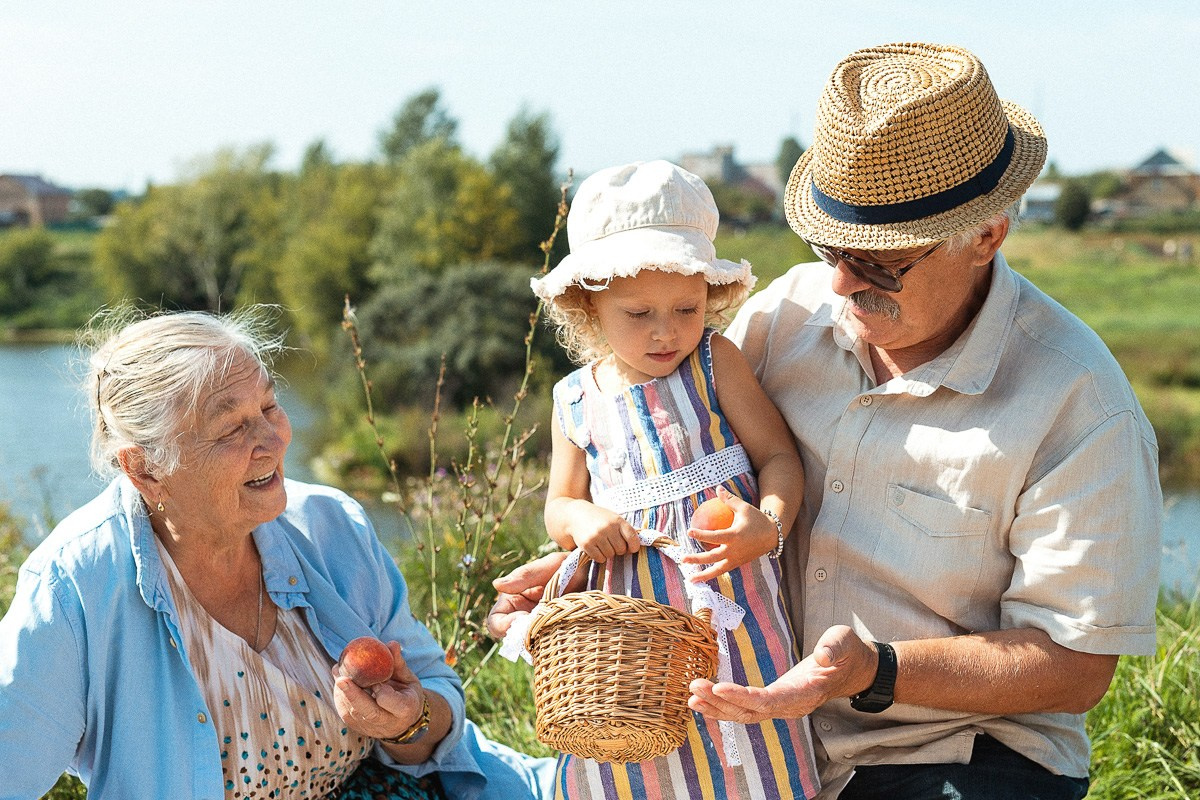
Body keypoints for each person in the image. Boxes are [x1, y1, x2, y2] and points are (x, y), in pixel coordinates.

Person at [493, 43, 1163, 799]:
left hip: (947, 754)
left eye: (881, 262)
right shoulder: (790, 312)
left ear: (987, 236)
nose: (840, 282)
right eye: (832, 247)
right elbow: (675, 462)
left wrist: (873, 670)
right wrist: (602, 558)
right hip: (753, 738)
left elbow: (1075, 668)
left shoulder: (1079, 401)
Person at [0, 308, 554, 800]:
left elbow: (438, 710)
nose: (274, 438)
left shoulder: (332, 525)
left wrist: (406, 724)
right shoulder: (73, 584)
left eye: (269, 405)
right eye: (232, 428)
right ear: (144, 469)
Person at [525, 160, 820, 799]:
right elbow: (558, 506)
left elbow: (779, 457)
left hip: (729, 598)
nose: (666, 331)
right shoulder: (575, 398)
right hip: (632, 622)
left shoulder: (715, 362)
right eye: (638, 314)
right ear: (588, 305)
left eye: (686, 308)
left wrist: (766, 524)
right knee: (643, 755)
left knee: (745, 740)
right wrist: (583, 521)